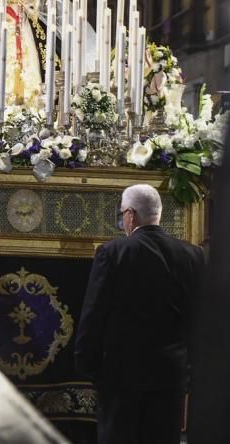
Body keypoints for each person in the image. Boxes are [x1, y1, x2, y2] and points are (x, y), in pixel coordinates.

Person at [74, 183, 204, 444]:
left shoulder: (113, 253)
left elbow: (94, 315)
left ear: (130, 215)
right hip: (170, 377)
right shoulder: (193, 255)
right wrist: (189, 371)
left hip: (121, 378)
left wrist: (90, 368)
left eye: (122, 214)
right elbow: (200, 320)